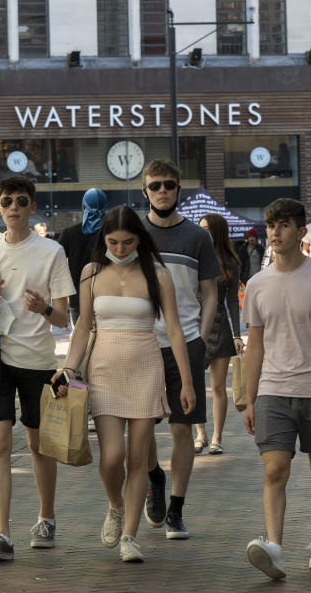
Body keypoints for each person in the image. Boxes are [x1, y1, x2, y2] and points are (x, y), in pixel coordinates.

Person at [53, 205, 193, 562]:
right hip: (103, 369)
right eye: (112, 242)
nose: (119, 248)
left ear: (139, 239)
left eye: (127, 241)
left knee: (136, 457)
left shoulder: (157, 274)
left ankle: (130, 535)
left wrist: (187, 382)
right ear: (103, 240)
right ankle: (115, 506)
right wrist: (69, 368)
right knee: (112, 456)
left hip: (146, 366)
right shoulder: (90, 272)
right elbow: (82, 326)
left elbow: (174, 330)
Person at [243, 198, 311, 578]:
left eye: (284, 225)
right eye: (271, 225)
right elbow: (254, 344)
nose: (275, 232)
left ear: (302, 232)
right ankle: (274, 547)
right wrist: (249, 396)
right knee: (275, 468)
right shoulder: (257, 285)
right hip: (273, 388)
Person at [0, 176, 75, 562]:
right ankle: (2, 534)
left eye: (21, 200)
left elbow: (64, 318)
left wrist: (44, 308)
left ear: (33, 207)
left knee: (37, 444)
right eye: (6, 201)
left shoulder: (52, 252)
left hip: (38, 361)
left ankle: (46, 517)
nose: (13, 206)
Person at [140, 159, 219, 540]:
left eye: (169, 185)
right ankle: (154, 474)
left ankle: (175, 509)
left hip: (186, 343)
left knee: (182, 429)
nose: (162, 191)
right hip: (141, 343)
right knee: (140, 431)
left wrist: (201, 339)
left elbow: (211, 291)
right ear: (145, 191)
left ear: (178, 190)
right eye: (155, 186)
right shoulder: (134, 234)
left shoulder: (197, 237)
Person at [194, 213, 243, 456]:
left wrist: (237, 334)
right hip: (195, 325)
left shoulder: (230, 261)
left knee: (218, 387)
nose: (203, 232)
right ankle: (200, 434)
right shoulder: (194, 256)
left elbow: (233, 301)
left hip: (221, 326)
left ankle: (216, 438)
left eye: (208, 229)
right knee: (193, 383)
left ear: (218, 232)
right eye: (200, 228)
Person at [58, 188, 108, 325]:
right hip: (108, 298)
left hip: (78, 298)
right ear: (104, 208)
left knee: (82, 341)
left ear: (83, 207)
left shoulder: (69, 233)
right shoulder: (113, 234)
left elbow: (57, 266)